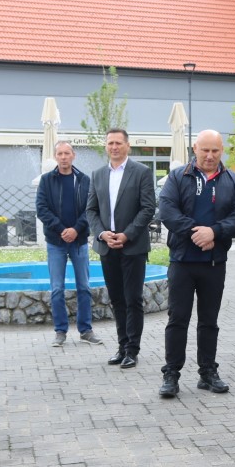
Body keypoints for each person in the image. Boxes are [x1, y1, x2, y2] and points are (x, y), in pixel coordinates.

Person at [157, 129, 235, 397]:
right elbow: (167, 211)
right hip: (182, 262)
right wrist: (198, 232)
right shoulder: (177, 177)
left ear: (222, 151)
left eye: (215, 151)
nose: (210, 156)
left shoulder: (232, 180)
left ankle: (207, 372)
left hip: (214, 262)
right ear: (195, 148)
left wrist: (216, 232)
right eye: (205, 150)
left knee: (209, 321)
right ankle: (171, 374)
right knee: (178, 320)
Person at [86, 128, 156, 369]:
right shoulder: (97, 174)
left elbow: (148, 208)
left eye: (118, 143)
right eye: (110, 143)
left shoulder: (142, 172)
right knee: (117, 299)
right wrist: (102, 233)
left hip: (133, 246)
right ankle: (121, 345)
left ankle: (132, 350)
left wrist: (126, 235)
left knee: (133, 298)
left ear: (127, 145)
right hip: (107, 246)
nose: (114, 147)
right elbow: (91, 210)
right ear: (106, 146)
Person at [37, 141, 101, 347]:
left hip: (79, 240)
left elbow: (91, 208)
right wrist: (61, 229)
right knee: (57, 288)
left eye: (67, 153)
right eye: (59, 153)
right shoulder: (46, 180)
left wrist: (75, 229)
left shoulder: (84, 180)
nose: (63, 157)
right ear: (56, 157)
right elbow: (42, 208)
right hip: (56, 241)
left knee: (84, 287)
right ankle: (60, 331)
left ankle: (86, 330)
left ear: (73, 155)